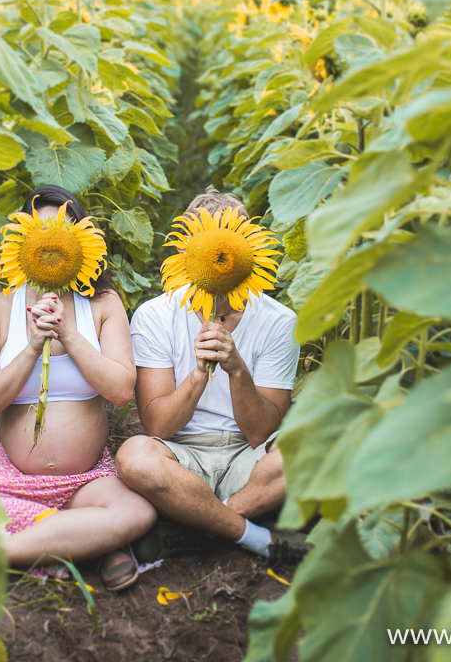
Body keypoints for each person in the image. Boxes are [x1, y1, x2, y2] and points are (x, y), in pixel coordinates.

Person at [0, 185, 156, 591]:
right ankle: (88, 542)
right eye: (40, 230)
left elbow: (122, 391)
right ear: (21, 238)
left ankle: (2, 552)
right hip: (9, 481)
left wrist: (69, 335)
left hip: (85, 483)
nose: (51, 241)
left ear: (82, 240)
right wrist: (33, 347)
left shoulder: (103, 305)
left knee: (136, 512)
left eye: (64, 230)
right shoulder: (0, 307)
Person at [115, 188, 307, 565]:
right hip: (182, 458)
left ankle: (195, 528)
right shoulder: (155, 316)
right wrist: (199, 374)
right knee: (135, 456)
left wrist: (237, 369)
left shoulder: (279, 321)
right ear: (185, 252)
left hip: (248, 458)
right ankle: (249, 533)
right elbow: (158, 427)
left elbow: (261, 433)